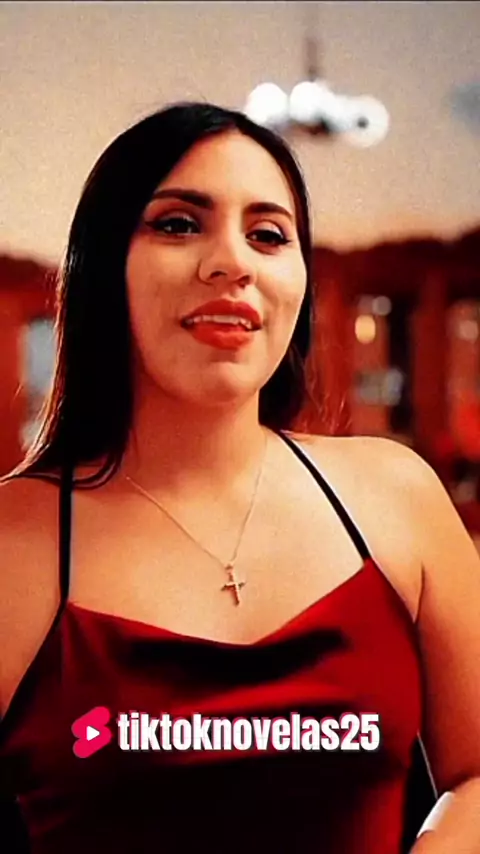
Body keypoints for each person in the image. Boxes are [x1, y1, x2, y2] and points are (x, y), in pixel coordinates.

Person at [0, 101, 479, 854]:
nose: (232, 263)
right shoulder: (15, 539)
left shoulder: (397, 498)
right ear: (103, 268)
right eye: (178, 224)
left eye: (268, 234)